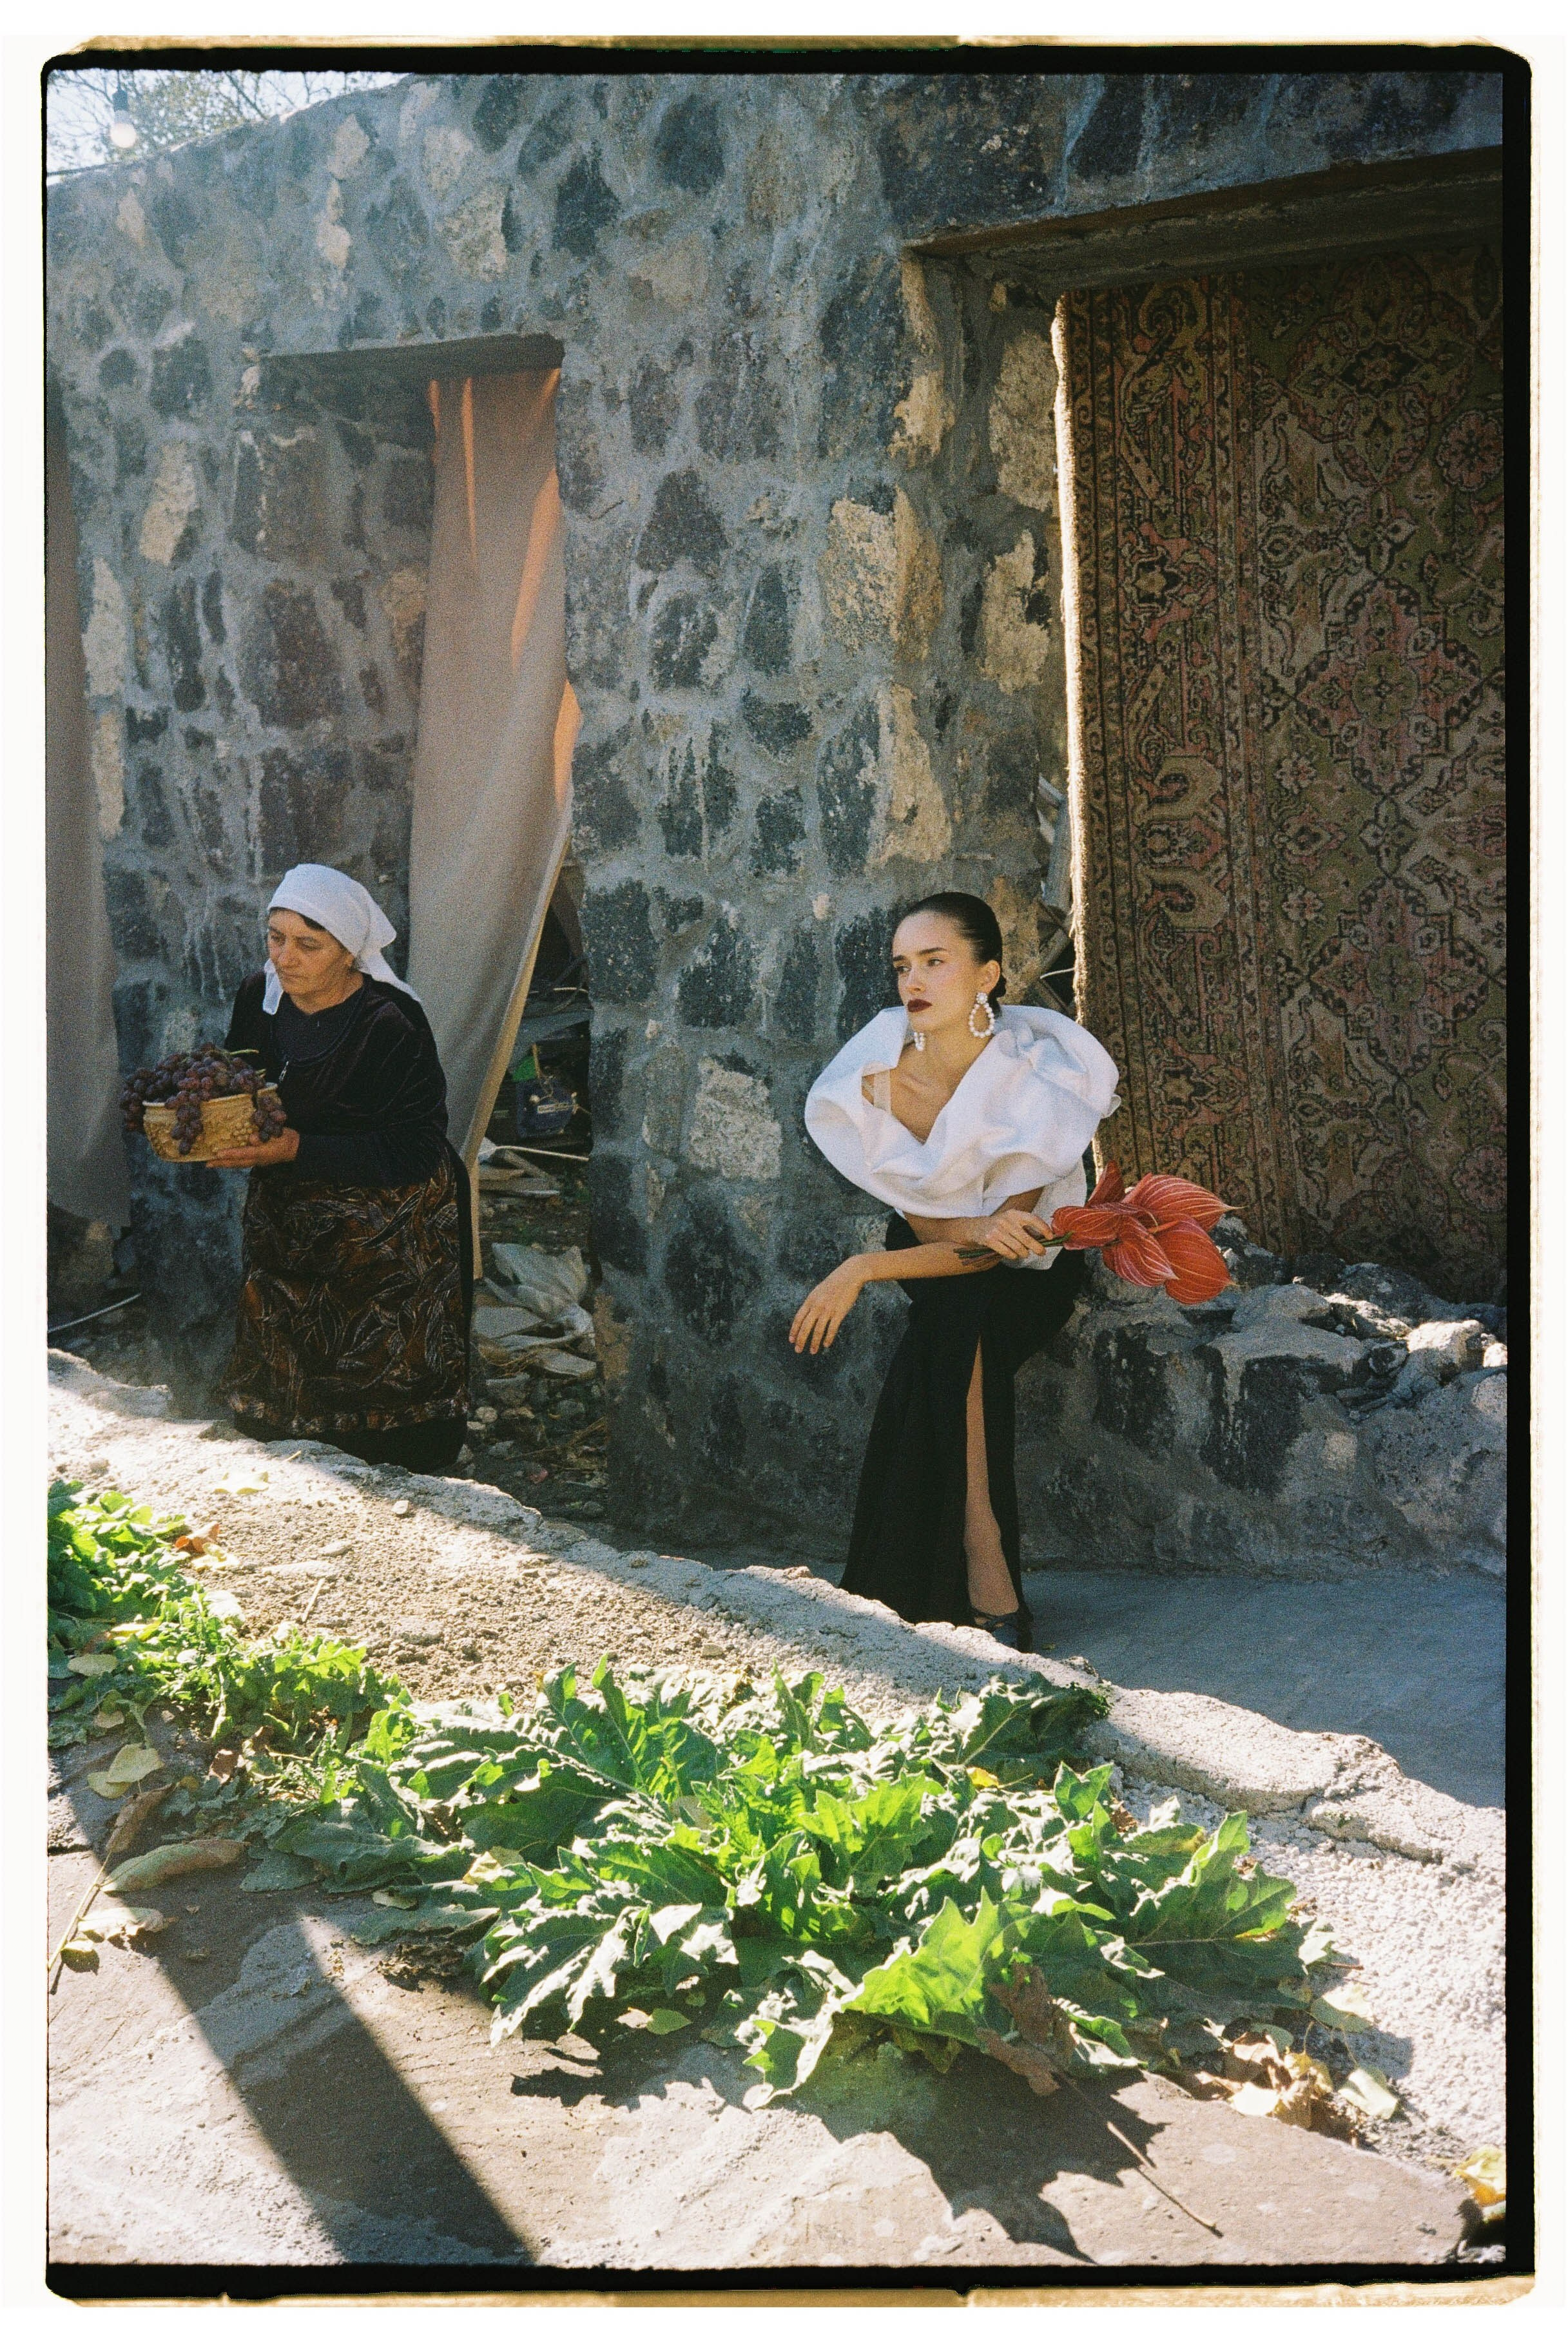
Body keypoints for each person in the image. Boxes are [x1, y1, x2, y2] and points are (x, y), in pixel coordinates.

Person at [797, 892, 1120, 1651]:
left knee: (959, 1322)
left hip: (1033, 1267)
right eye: (903, 965)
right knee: (955, 1311)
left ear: (988, 975)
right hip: (933, 1246)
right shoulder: (872, 1078)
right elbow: (938, 1229)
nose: (915, 980)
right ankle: (986, 1581)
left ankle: (965, 1567)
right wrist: (899, 1254)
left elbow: (1004, 1248)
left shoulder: (1040, 1073)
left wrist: (862, 1269)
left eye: (936, 961)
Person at [208, 864, 473, 1472]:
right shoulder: (260, 998)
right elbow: (239, 1085)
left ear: (348, 952)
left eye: (308, 944)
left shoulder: (390, 1022)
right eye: (276, 937)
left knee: (382, 1388)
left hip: (389, 1225)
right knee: (281, 1397)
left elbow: (416, 1146)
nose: (286, 957)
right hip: (291, 1218)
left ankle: (408, 1481)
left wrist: (297, 1147)